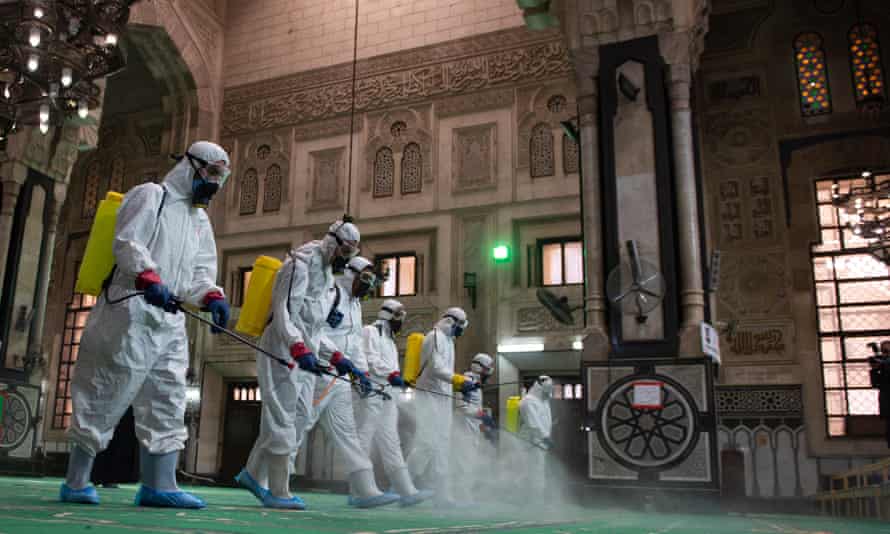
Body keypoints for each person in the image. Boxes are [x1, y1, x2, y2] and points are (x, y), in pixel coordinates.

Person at [61, 142, 232, 509]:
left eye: (222, 176)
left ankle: (160, 485)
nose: (216, 183)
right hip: (130, 310)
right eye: (213, 172)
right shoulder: (151, 196)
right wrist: (147, 276)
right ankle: (76, 481)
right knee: (105, 392)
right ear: (191, 165)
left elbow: (201, 272)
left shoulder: (199, 220)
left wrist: (212, 297)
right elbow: (128, 242)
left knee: (168, 398)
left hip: (169, 320)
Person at [235, 218, 361, 510]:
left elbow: (313, 325)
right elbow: (283, 313)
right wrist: (297, 346)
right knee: (282, 416)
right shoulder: (298, 264)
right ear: (333, 242)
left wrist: (336, 356)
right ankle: (279, 491)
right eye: (344, 251)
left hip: (305, 354)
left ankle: (253, 475)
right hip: (281, 350)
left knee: (301, 416)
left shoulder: (327, 274)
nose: (345, 259)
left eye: (350, 255)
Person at [292, 256, 399, 508]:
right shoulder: (330, 295)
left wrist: (361, 373)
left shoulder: (355, 304)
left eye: (371, 280)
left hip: (339, 377)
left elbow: (353, 342)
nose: (368, 283)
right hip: (320, 372)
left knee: (348, 434)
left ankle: (365, 490)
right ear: (350, 273)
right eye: (365, 277)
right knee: (298, 425)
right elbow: (314, 331)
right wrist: (336, 356)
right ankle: (261, 477)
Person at [355, 299, 433, 507]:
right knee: (363, 439)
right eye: (399, 315)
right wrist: (390, 375)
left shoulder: (389, 339)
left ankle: (406, 490)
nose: (402, 321)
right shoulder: (370, 331)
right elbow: (369, 359)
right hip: (372, 393)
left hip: (389, 395)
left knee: (391, 444)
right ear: (388, 314)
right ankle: (358, 490)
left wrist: (398, 380)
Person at [405, 307, 475, 505]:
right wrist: (459, 380)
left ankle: (441, 493)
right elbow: (436, 368)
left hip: (443, 398)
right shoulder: (434, 336)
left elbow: (445, 374)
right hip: (428, 396)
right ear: (452, 322)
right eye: (460, 327)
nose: (461, 332)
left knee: (442, 445)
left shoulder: (449, 342)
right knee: (426, 442)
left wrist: (460, 386)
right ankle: (402, 485)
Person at [451, 353, 497, 498]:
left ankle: (466, 495)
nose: (488, 373)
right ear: (479, 367)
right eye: (487, 369)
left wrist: (484, 427)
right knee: (464, 465)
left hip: (472, 431)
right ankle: (462, 497)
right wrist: (481, 415)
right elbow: (460, 407)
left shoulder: (476, 385)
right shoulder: (465, 381)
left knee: (470, 465)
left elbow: (474, 409)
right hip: (462, 431)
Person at [519, 375, 554, 498]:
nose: (550, 391)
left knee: (538, 471)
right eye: (548, 388)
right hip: (531, 443)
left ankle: (536, 499)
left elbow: (543, 421)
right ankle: (533, 501)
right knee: (533, 472)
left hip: (540, 443)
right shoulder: (528, 401)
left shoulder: (543, 401)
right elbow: (533, 423)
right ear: (540, 387)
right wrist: (545, 437)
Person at [869, 341, 890, 448]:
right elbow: (876, 384)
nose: (886, 354)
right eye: (884, 351)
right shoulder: (882, 364)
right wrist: (875, 369)